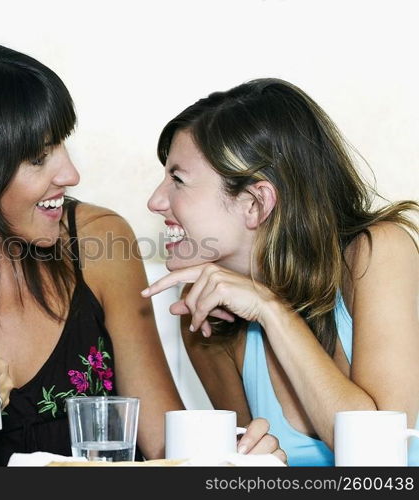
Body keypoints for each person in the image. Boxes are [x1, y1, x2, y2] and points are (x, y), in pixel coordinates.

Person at [0, 40, 285, 466]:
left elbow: (162, 444)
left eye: (62, 145)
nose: (70, 174)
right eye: (37, 158)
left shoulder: (98, 242)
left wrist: (233, 460)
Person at [142, 78, 419, 466]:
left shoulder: (377, 252)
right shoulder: (208, 312)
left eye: (178, 180)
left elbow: (381, 460)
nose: (155, 201)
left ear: (256, 202)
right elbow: (248, 468)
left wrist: (271, 310)